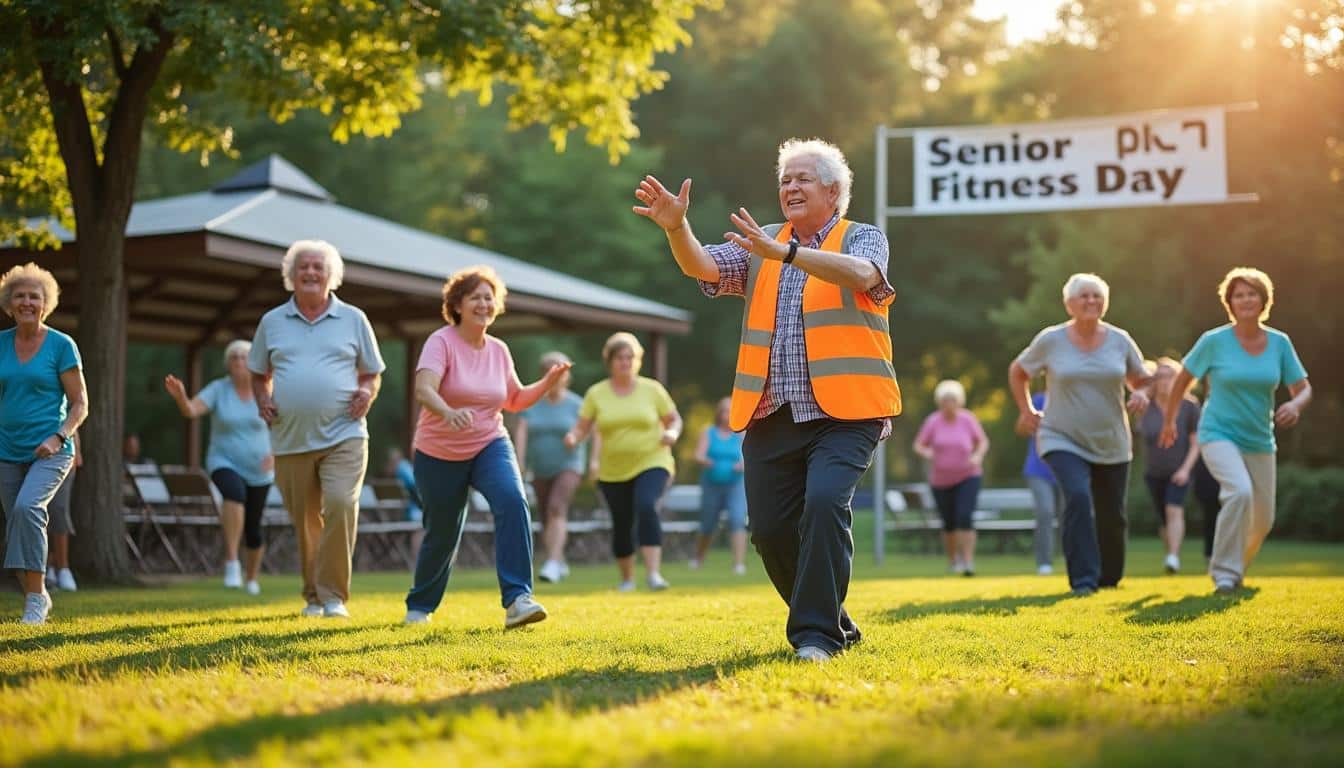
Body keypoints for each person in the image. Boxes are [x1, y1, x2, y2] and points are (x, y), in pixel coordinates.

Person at [633, 137, 901, 661]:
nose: (790, 187)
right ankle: (834, 622)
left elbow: (867, 277)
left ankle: (815, 638)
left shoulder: (862, 237)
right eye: (784, 180)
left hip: (848, 410)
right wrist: (676, 228)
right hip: (771, 411)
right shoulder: (762, 241)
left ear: (833, 190)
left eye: (802, 178)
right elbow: (704, 267)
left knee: (824, 505)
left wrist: (791, 254)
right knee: (772, 532)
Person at [403, 266, 567, 628]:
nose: (484, 303)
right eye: (475, 296)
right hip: (438, 450)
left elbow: (514, 399)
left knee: (512, 499)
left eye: (489, 297)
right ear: (457, 305)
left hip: (489, 443)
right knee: (443, 530)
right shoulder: (441, 342)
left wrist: (547, 382)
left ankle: (518, 599)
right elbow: (424, 390)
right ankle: (420, 606)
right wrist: (447, 412)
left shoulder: (499, 350)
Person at [249, 240, 386, 618]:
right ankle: (313, 596)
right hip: (290, 437)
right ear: (290, 276)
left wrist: (365, 392)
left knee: (341, 503)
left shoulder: (354, 319)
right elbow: (259, 374)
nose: (310, 272)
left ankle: (333, 597)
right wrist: (263, 398)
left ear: (332, 276)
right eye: (303, 267)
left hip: (346, 433)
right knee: (306, 520)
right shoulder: (272, 322)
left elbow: (372, 372)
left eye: (318, 267)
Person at [1160, 267, 1310, 595]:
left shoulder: (1279, 343)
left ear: (1263, 300)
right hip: (1218, 432)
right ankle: (1224, 573)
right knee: (1238, 492)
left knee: (1263, 518)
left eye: (1251, 293)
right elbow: (1182, 380)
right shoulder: (1214, 341)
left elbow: (1303, 387)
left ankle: (1236, 566)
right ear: (1230, 302)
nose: (1245, 300)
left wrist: (1295, 405)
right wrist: (1170, 420)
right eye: (1238, 295)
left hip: (1259, 438)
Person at [1009, 273, 1151, 596]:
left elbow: (1143, 378)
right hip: (1061, 436)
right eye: (1084, 296)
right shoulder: (1051, 339)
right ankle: (1083, 580)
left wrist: (1142, 393)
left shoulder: (1120, 340)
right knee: (1077, 497)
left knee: (1112, 514)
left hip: (1111, 440)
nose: (1091, 301)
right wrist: (1027, 409)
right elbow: (1018, 371)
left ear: (1105, 302)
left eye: (1096, 296)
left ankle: (1109, 577)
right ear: (1070, 303)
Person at [0, 263, 87, 625]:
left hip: (51, 450)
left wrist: (59, 436)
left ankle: (35, 602)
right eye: (19, 295)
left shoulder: (61, 345)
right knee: (15, 523)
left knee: (27, 510)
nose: (26, 302)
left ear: (45, 302)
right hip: (6, 450)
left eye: (34, 296)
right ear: (9, 302)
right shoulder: (1, 344)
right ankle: (39, 594)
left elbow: (80, 402)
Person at [564, 333, 681, 592]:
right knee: (622, 521)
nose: (625, 362)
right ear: (610, 361)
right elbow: (583, 427)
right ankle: (627, 579)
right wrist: (573, 437)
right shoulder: (597, 393)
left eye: (630, 357)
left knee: (646, 505)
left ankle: (653, 574)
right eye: (620, 358)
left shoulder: (652, 389)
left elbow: (674, 419)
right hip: (612, 469)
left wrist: (672, 433)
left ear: (637, 361)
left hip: (653, 459)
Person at [165, 340, 275, 595]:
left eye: (244, 357)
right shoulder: (219, 389)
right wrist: (181, 396)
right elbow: (191, 410)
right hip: (223, 460)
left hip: (260, 469)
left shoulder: (267, 390)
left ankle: (251, 578)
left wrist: (277, 454)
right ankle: (231, 562)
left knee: (254, 529)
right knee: (233, 493)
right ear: (228, 363)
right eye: (234, 357)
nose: (238, 361)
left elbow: (286, 426)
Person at [514, 351, 593, 584]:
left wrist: (575, 438)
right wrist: (518, 462)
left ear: (567, 376)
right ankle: (558, 560)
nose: (557, 377)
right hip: (539, 467)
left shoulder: (577, 404)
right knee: (547, 516)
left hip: (569, 465)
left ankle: (552, 561)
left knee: (557, 508)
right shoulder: (533, 402)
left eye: (561, 373)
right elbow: (521, 432)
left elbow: (587, 429)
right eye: (551, 372)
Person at [913, 379, 989, 577]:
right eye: (945, 400)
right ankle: (953, 560)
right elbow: (919, 445)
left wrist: (977, 455)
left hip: (968, 475)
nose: (949, 404)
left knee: (965, 517)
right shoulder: (933, 421)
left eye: (953, 400)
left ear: (959, 401)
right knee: (949, 522)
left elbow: (982, 441)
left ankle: (968, 562)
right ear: (940, 402)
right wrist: (928, 453)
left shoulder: (968, 420)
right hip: (940, 480)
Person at [1135, 358, 1201, 574]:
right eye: (1159, 377)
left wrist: (1185, 470)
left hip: (1179, 470)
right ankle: (1170, 554)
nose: (1164, 381)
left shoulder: (1190, 406)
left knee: (1174, 509)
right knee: (1163, 519)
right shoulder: (1146, 407)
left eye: (1169, 376)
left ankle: (1173, 556)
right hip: (1153, 471)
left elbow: (1196, 442)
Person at [690, 397, 748, 575]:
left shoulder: (741, 434)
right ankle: (698, 559)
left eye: (731, 411)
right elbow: (698, 455)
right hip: (711, 483)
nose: (727, 415)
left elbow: (750, 457)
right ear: (719, 414)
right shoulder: (709, 433)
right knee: (708, 524)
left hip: (735, 484)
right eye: (724, 411)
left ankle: (738, 564)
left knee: (737, 520)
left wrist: (742, 465)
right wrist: (707, 461)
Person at [1022, 391, 1061, 575]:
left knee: (1072, 514)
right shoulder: (1038, 400)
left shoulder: (1076, 396)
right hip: (1038, 469)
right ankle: (1044, 562)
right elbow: (1020, 428)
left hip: (1066, 468)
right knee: (1045, 512)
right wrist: (1029, 418)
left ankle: (1074, 559)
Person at [45, 431, 80, 592]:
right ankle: (46, 567)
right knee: (40, 513)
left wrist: (77, 450)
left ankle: (63, 568)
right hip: (35, 451)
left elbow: (76, 412)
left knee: (59, 510)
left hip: (63, 454)